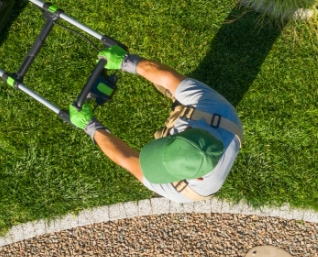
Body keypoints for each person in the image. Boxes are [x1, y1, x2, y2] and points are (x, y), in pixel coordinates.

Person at [69, 46, 243, 203]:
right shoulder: (215, 108)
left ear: (197, 178)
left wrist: (90, 126)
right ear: (186, 129)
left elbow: (126, 158)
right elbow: (168, 78)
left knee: (169, 117)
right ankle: (177, 104)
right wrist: (126, 61)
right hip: (215, 119)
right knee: (174, 86)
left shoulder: (182, 191)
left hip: (199, 130)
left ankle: (174, 114)